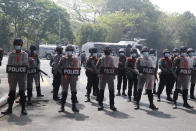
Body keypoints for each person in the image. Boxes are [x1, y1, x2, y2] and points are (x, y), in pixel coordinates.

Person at [1, 38, 28, 115]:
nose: (17, 46)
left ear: (21, 45)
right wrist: (9, 77)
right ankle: (9, 109)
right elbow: (9, 66)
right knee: (12, 93)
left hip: (22, 76)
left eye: (19, 45)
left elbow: (26, 66)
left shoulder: (25, 54)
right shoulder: (11, 55)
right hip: (13, 76)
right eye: (16, 45)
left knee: (22, 92)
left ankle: (23, 109)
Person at [58, 45, 80, 112]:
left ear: (73, 52)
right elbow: (58, 67)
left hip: (73, 77)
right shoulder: (63, 58)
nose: (69, 53)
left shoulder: (76, 59)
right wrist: (62, 73)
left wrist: (76, 76)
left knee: (73, 92)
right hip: (65, 77)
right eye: (68, 51)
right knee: (64, 91)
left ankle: (74, 106)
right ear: (66, 52)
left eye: (70, 51)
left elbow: (78, 68)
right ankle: (62, 106)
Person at [96, 46, 117, 111]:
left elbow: (115, 67)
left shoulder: (112, 59)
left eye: (108, 51)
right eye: (106, 51)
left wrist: (114, 74)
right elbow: (97, 67)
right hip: (103, 76)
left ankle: (112, 105)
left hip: (110, 76)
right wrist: (99, 73)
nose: (107, 52)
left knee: (111, 91)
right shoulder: (101, 58)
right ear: (104, 51)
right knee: (101, 91)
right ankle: (100, 104)